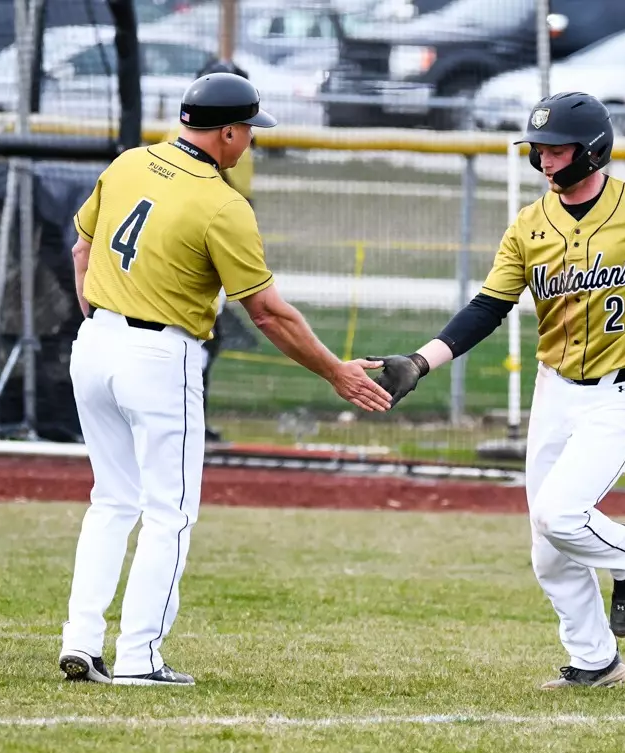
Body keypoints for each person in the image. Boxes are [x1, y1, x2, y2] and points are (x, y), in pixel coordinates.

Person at [367, 92, 625, 690]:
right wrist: (421, 362)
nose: (543, 162)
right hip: (555, 390)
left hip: (622, 391)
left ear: (592, 151)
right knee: (547, 548)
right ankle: (596, 662)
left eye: (556, 150)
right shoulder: (531, 224)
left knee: (562, 515)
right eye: (537, 150)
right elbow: (487, 308)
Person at [58, 72, 391, 687]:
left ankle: (81, 640)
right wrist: (336, 372)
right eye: (248, 133)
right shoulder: (221, 202)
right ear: (228, 132)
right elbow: (267, 312)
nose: (250, 144)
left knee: (111, 501)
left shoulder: (130, 162)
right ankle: (138, 658)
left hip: (95, 344)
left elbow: (81, 248)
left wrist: (97, 315)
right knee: (170, 513)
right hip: (159, 358)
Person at [167, 58, 257, 443]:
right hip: (199, 249)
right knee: (198, 338)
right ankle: (189, 422)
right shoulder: (220, 143)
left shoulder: (156, 147)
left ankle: (191, 421)